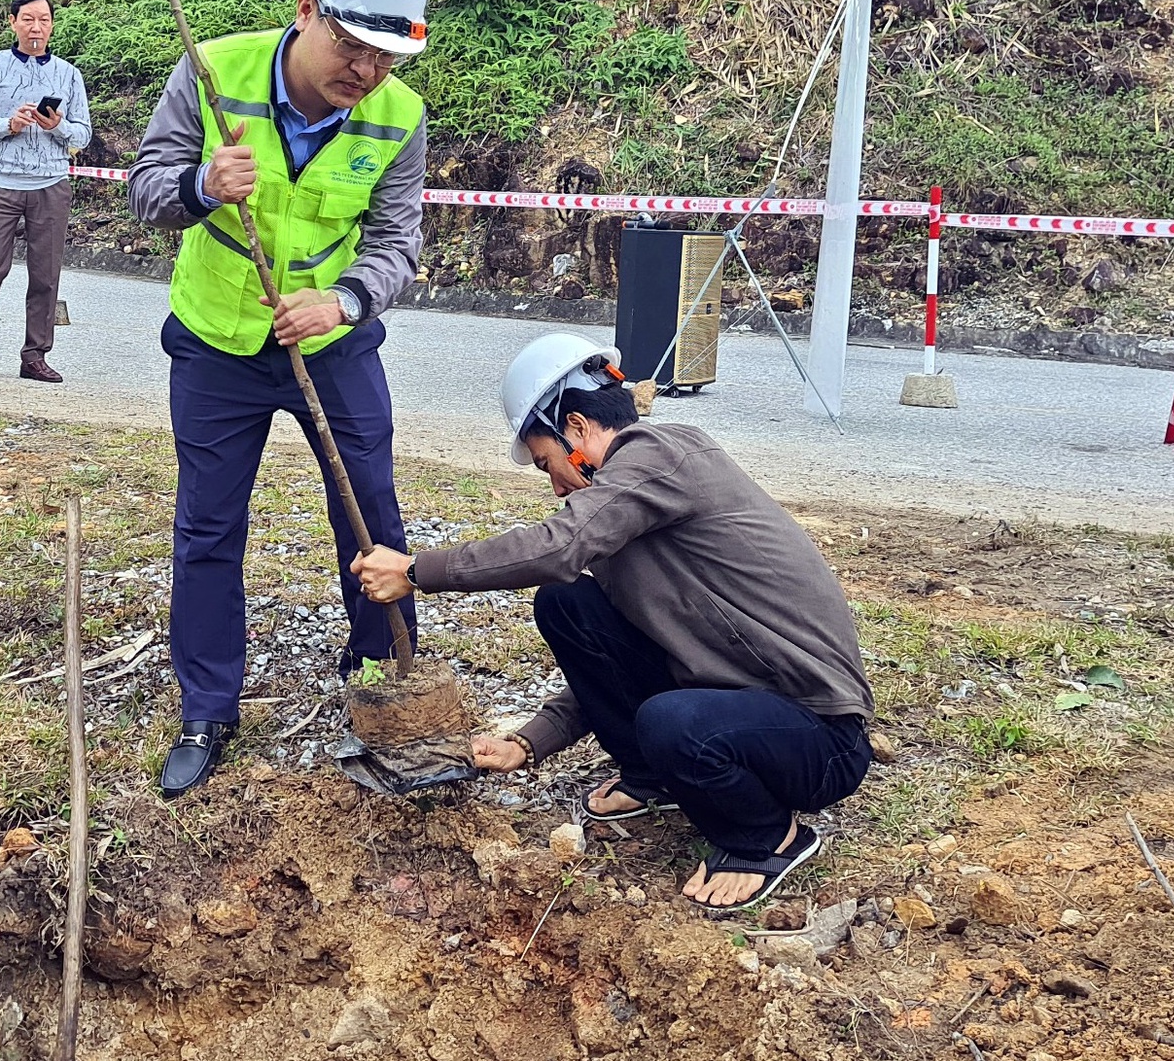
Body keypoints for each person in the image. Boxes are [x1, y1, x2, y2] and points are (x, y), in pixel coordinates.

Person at [351, 333, 875, 914]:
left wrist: (419, 570)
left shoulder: (662, 455)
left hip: (818, 736)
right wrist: (530, 742)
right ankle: (655, 779)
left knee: (672, 718)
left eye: (547, 461)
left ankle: (765, 836)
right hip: (738, 706)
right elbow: (619, 652)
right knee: (567, 602)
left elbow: (560, 544)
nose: (553, 484)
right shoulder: (631, 505)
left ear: (576, 427)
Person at [129, 0, 432, 798]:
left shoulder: (398, 116)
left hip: (332, 344)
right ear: (305, 11)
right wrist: (200, 186)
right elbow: (148, 188)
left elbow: (395, 242)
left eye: (385, 57)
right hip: (218, 343)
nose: (365, 73)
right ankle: (208, 707)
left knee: (368, 506)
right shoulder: (213, 71)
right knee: (209, 525)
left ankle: (380, 676)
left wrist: (342, 301)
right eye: (352, 46)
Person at [0, 0, 92, 384]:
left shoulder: (68, 74)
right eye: (28, 19)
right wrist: (8, 125)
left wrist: (58, 127)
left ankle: (35, 355)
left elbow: (82, 133)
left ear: (52, 25)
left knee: (46, 275)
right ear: (12, 21)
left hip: (51, 184)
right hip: (0, 182)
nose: (37, 27)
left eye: (44, 20)